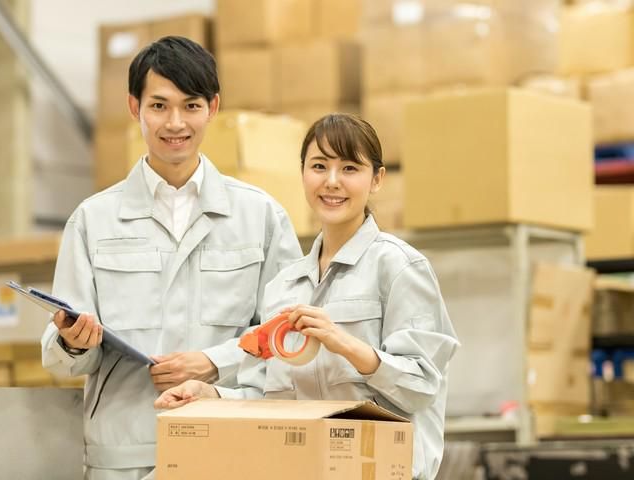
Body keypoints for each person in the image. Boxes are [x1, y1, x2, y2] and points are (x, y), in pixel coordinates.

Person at [41, 36, 302, 480]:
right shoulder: (92, 220)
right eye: (159, 106)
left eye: (191, 106)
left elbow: (289, 338)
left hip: (229, 445)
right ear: (134, 107)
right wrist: (73, 342)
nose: (175, 123)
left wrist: (215, 362)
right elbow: (61, 355)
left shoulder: (260, 216)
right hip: (122, 454)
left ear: (213, 107)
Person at [155, 113, 460, 480]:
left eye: (349, 168)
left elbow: (422, 387)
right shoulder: (284, 287)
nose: (332, 181)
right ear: (303, 173)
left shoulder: (399, 268)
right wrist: (210, 396)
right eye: (319, 166)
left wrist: (346, 345)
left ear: (377, 179)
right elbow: (269, 400)